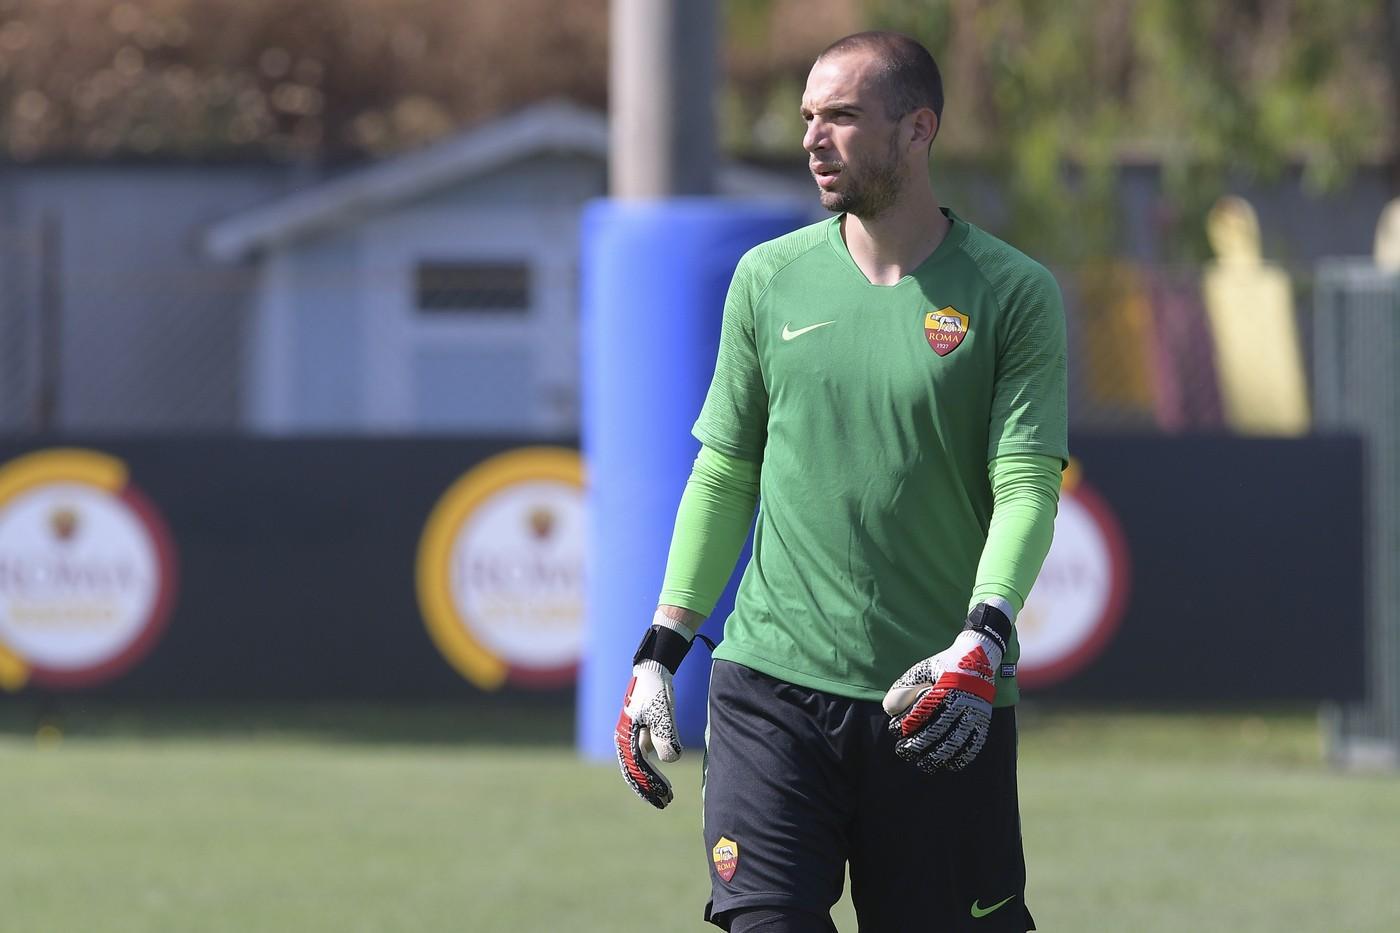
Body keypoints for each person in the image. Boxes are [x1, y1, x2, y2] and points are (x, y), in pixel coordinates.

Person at [614, 30, 1066, 933]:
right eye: (809, 116)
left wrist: (982, 640)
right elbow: (724, 472)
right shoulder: (767, 280)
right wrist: (660, 649)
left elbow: (1025, 487)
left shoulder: (1012, 292)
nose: (813, 138)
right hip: (771, 687)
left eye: (843, 116)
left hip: (939, 696)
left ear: (917, 129)